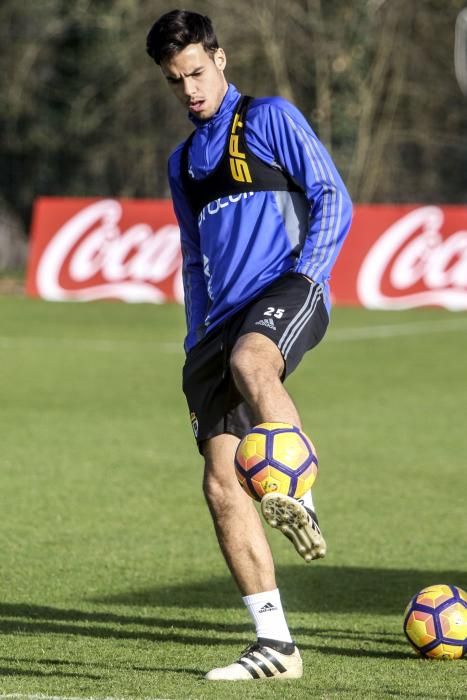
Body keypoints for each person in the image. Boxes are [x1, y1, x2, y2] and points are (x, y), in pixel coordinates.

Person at [146, 9, 352, 681]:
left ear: (221, 59)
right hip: (216, 325)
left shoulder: (268, 118)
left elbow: (330, 195)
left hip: (286, 286)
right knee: (220, 483)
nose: (189, 90)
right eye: (176, 81)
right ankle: (275, 645)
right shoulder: (182, 164)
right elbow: (194, 259)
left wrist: (308, 274)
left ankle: (300, 490)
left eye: (197, 73)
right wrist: (191, 337)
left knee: (251, 360)